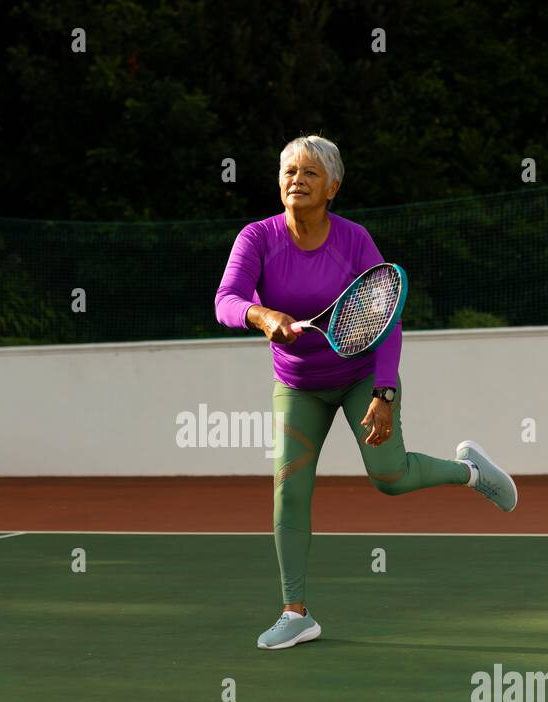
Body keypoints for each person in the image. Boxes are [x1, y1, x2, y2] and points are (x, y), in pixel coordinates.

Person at [214, 134, 518, 650]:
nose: (297, 180)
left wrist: (385, 392)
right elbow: (226, 299)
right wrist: (262, 315)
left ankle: (470, 472)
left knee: (390, 477)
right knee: (289, 488)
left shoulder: (353, 241)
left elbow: (388, 314)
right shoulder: (257, 239)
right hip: (297, 384)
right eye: (289, 171)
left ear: (333, 186)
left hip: (360, 378)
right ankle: (295, 612)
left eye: (310, 173)